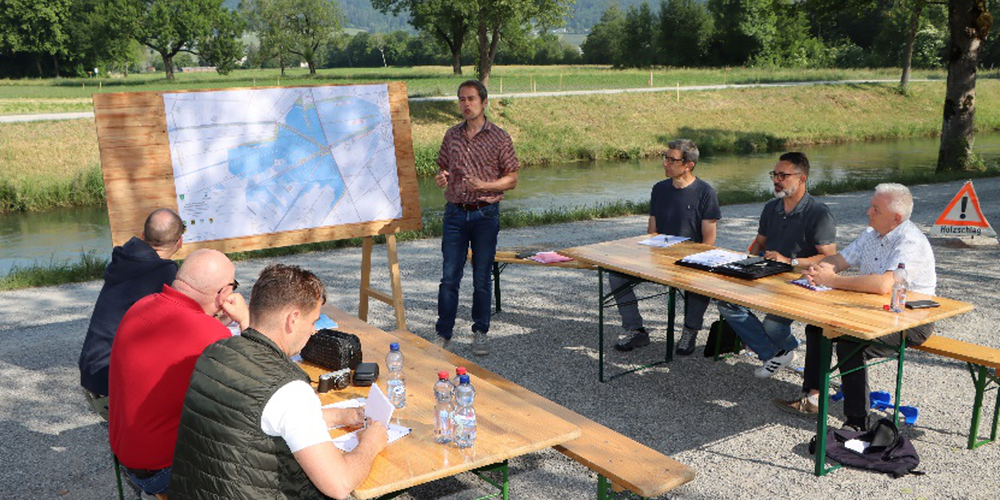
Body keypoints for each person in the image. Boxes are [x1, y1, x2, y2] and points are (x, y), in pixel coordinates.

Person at [170, 264, 388, 499]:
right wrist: (371, 444)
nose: (314, 331)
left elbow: (256, 419)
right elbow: (340, 483)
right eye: (314, 321)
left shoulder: (216, 352)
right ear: (293, 319)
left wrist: (342, 415)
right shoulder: (289, 389)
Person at [775, 183, 936, 431]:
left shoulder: (910, 241)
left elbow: (885, 284)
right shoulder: (871, 234)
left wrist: (832, 281)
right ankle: (813, 398)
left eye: (875, 209)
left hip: (911, 320)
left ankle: (857, 422)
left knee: (851, 345)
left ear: (896, 218)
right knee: (818, 327)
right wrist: (820, 270)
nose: (868, 212)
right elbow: (840, 259)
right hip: (873, 311)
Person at [108, 249, 249, 496]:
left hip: (128, 458)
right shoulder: (207, 333)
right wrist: (246, 322)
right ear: (223, 293)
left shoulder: (141, 305)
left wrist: (212, 322)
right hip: (164, 472)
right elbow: (257, 378)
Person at [717, 152, 837, 377]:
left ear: (801, 179)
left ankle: (778, 349)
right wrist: (746, 262)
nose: (776, 180)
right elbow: (759, 242)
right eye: (775, 174)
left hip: (799, 281)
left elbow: (830, 258)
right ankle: (777, 351)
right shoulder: (771, 207)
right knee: (726, 301)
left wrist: (790, 261)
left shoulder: (819, 213)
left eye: (783, 175)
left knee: (772, 325)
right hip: (765, 274)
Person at [433, 79, 520, 356]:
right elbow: (443, 169)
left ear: (484, 102)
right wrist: (441, 178)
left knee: (482, 277)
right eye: (462, 99)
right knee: (449, 277)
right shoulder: (451, 136)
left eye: (471, 99)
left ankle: (480, 332)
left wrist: (484, 186)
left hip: (485, 214)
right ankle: (443, 333)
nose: (466, 104)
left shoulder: (499, 137)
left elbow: (512, 179)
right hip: (455, 214)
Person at [610, 139, 721, 354]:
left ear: (688, 165)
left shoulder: (706, 193)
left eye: (671, 160)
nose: (665, 163)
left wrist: (690, 261)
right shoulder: (659, 189)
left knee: (701, 283)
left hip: (689, 260)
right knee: (616, 276)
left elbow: (709, 242)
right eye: (665, 158)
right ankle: (636, 330)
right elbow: (652, 231)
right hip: (658, 258)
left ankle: (690, 330)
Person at [78, 208, 184, 420]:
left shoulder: (126, 258)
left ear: (143, 236)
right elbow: (184, 325)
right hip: (110, 384)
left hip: (92, 371)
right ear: (180, 241)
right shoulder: (164, 274)